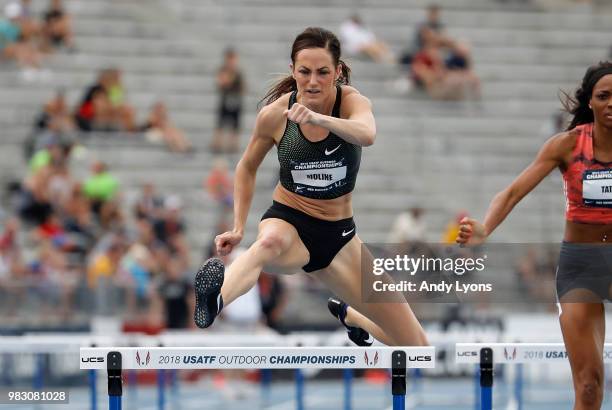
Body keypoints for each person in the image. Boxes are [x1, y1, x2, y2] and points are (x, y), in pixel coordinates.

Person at [192, 27, 428, 347]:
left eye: (322, 72)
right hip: (290, 219)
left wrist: (321, 120)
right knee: (268, 243)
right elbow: (246, 166)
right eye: (304, 72)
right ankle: (214, 300)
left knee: (417, 347)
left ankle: (354, 317)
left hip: (340, 238)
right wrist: (237, 226)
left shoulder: (350, 102)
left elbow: (366, 133)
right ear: (293, 71)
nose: (313, 81)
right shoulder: (275, 116)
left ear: (338, 72)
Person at [456, 61, 612, 410]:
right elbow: (511, 193)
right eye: (604, 96)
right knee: (588, 386)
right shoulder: (567, 146)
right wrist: (485, 228)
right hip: (581, 268)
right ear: (590, 102)